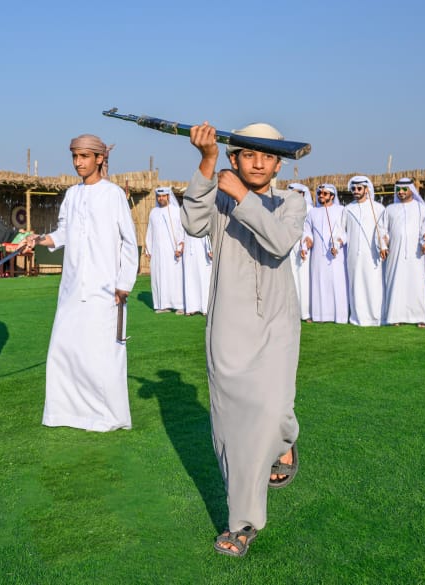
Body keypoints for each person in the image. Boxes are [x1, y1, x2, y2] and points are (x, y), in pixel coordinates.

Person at [180, 121, 305, 557]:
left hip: (276, 320)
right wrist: (207, 162)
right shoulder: (217, 195)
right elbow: (194, 225)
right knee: (232, 426)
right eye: (248, 154)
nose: (257, 162)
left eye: (267, 156)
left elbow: (280, 242)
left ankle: (285, 440)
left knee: (274, 409)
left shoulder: (293, 201)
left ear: (278, 163)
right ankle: (244, 522)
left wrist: (242, 196)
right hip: (228, 323)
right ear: (235, 158)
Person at [24, 135, 137, 430]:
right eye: (75, 156)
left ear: (99, 159)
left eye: (84, 156)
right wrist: (40, 239)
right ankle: (64, 414)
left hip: (105, 289)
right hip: (72, 288)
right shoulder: (72, 196)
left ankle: (108, 417)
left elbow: (128, 241)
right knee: (63, 350)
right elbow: (64, 233)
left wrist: (124, 282)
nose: (78, 163)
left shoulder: (113, 195)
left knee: (101, 355)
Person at [382, 178, 425, 327]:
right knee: (396, 283)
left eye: (404, 189)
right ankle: (396, 316)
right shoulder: (389, 209)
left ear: (411, 190)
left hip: (416, 255)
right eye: (398, 190)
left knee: (417, 284)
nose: (401, 192)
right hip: (395, 254)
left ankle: (421, 317)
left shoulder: (423, 209)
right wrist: (384, 242)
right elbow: (383, 230)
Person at [344, 175, 387, 326]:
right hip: (353, 255)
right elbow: (342, 232)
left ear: (366, 189)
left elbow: (383, 231)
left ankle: (376, 317)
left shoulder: (379, 208)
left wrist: (384, 245)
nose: (355, 191)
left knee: (373, 285)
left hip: (373, 255)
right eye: (353, 188)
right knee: (356, 286)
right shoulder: (348, 209)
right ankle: (357, 317)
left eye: (359, 188)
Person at [303, 184, 348, 323]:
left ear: (332, 196)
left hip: (336, 255)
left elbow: (345, 231)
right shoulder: (312, 213)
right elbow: (307, 230)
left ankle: (339, 317)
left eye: (324, 193)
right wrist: (308, 241)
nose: (321, 195)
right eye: (320, 193)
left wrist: (339, 243)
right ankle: (320, 316)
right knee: (319, 284)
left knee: (337, 283)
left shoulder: (341, 210)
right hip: (317, 256)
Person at [145, 186, 185, 314]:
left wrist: (179, 247)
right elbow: (150, 232)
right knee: (159, 276)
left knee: (175, 277)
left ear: (168, 196)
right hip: (157, 252)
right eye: (159, 196)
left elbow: (181, 231)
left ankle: (179, 304)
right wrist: (148, 250)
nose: (161, 198)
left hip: (173, 252)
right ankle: (162, 304)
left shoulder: (176, 211)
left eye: (163, 196)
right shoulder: (153, 212)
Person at [286, 183, 314, 321]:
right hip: (288, 246)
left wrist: (305, 244)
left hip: (303, 247)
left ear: (304, 194)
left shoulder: (310, 209)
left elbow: (309, 230)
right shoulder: (285, 208)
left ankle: (306, 313)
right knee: (291, 279)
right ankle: (292, 312)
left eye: (298, 193)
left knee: (304, 280)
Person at [182, 232, 212, 315]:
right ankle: (191, 307)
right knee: (189, 278)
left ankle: (205, 308)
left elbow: (207, 232)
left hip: (203, 249)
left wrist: (210, 249)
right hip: (188, 248)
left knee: (203, 277)